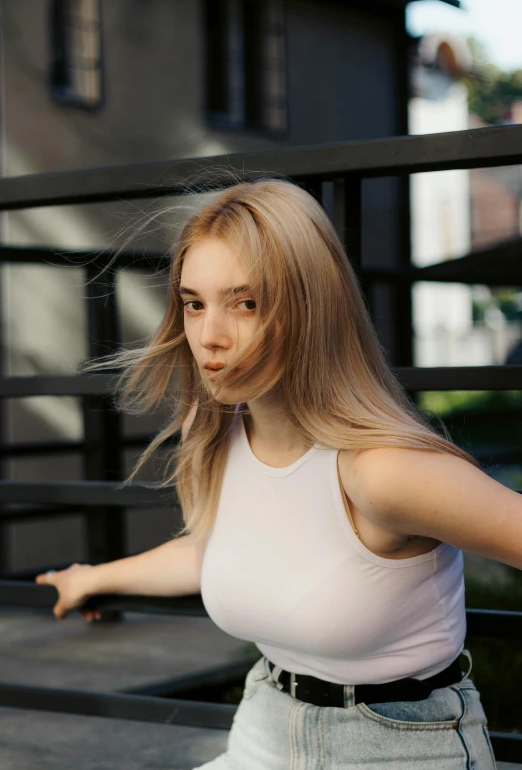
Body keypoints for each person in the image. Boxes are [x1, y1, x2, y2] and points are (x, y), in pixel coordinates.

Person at [35, 178, 517, 769]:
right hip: (263, 726)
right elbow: (220, 548)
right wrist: (95, 578)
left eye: (247, 303)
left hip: (395, 747)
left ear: (312, 310)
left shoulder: (383, 471)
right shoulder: (218, 431)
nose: (209, 337)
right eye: (194, 303)